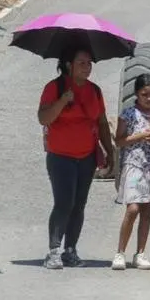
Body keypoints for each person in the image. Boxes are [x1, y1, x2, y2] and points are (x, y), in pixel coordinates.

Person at [38, 46, 114, 270]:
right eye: (81, 63)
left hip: (86, 156)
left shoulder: (95, 91)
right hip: (60, 156)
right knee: (64, 203)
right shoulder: (55, 87)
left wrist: (109, 151)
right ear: (69, 65)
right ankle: (53, 251)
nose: (87, 67)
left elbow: (101, 122)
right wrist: (62, 101)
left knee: (79, 204)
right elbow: (43, 118)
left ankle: (70, 250)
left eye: (89, 63)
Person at [112, 74, 150, 271]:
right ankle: (120, 252)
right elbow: (119, 141)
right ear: (137, 93)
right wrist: (141, 136)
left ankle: (140, 253)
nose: (149, 99)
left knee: (146, 211)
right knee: (133, 208)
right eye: (145, 94)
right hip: (133, 165)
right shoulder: (128, 114)